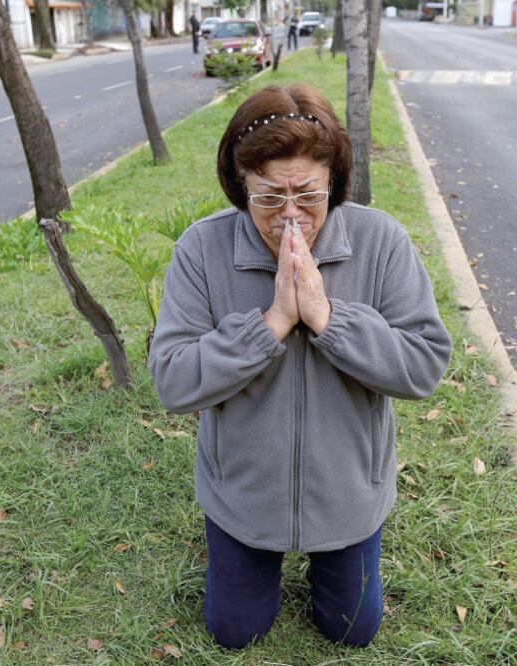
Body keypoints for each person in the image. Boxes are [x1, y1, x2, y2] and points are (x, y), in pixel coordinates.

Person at [148, 85, 451, 650]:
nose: (290, 215)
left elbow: (425, 363)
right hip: (243, 496)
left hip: (347, 494)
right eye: (268, 197)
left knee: (352, 632)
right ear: (241, 187)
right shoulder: (203, 249)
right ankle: (245, 559)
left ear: (333, 182)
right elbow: (171, 377)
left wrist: (329, 318)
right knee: (234, 633)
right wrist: (270, 324)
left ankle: (333, 560)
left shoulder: (379, 241)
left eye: (307, 194)